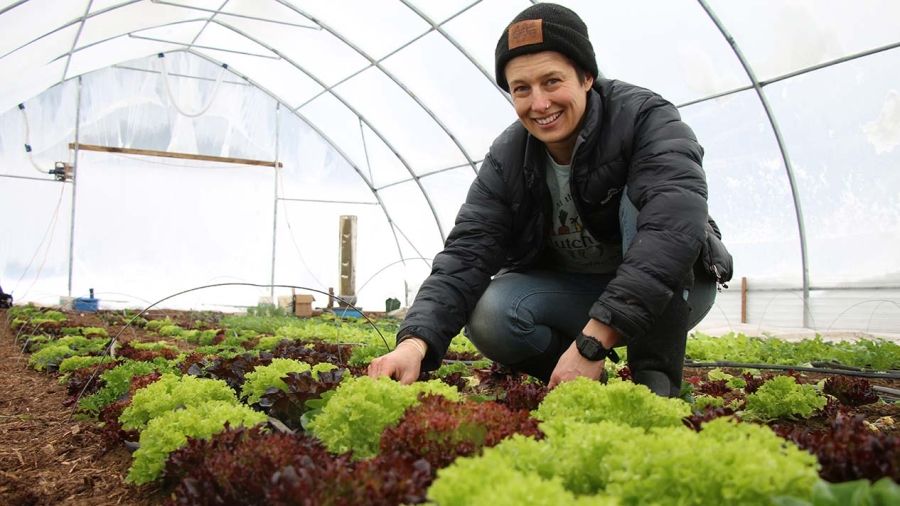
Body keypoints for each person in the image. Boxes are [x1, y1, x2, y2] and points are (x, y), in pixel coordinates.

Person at [368, 3, 732, 397]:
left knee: (644, 205)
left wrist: (592, 341)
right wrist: (413, 343)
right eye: (521, 89)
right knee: (490, 313)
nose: (539, 104)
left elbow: (671, 232)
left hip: (673, 289)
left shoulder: (646, 119)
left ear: (587, 76)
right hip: (577, 294)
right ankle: (579, 380)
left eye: (552, 82)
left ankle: (656, 389)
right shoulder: (509, 156)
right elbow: (467, 253)